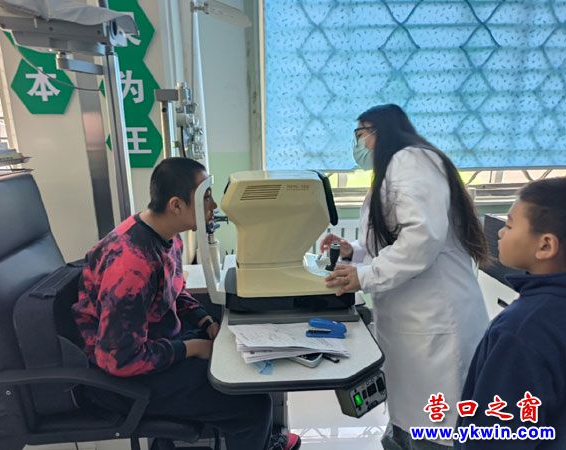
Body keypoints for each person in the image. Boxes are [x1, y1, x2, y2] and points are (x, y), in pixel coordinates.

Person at [72, 157, 300, 450]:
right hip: (123, 381)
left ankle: (262, 442)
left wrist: (206, 322)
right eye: (205, 197)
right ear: (176, 205)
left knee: (240, 358)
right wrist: (192, 348)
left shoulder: (166, 236)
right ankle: (259, 439)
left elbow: (174, 291)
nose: (213, 206)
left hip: (156, 344)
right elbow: (120, 359)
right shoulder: (132, 264)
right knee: (252, 406)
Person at [321, 104, 490, 449]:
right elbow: (390, 240)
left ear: (380, 131)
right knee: (413, 418)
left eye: (360, 134)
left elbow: (421, 239)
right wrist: (354, 251)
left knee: (436, 426)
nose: (359, 144)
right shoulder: (396, 169)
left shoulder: (411, 161)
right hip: (414, 318)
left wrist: (365, 275)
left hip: (436, 319)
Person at [455, 177, 566, 449]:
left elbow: (497, 435)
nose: (501, 233)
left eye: (509, 225)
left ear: (545, 246)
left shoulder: (521, 330)